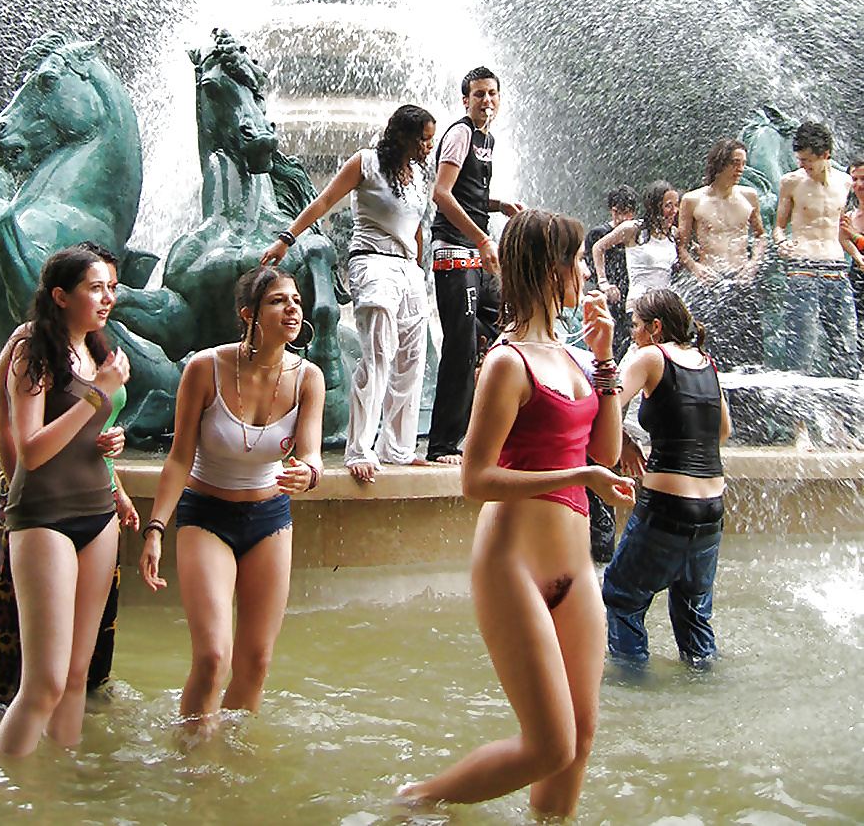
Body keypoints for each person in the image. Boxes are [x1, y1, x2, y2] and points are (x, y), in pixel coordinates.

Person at [398, 209, 635, 813]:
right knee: (548, 745)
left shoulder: (577, 359)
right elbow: (475, 479)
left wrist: (607, 361)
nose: (585, 272)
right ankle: (411, 804)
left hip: (575, 570)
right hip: (513, 567)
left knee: (578, 740)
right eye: (577, 260)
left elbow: (605, 454)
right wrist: (579, 475)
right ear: (552, 269)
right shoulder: (507, 362)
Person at [139, 268, 324, 722]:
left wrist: (311, 474)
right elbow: (180, 457)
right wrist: (157, 528)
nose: (293, 308)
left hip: (270, 520)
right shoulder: (206, 367)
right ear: (250, 315)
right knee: (212, 658)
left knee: (256, 663)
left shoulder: (308, 378)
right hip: (206, 516)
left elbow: (312, 455)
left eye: (296, 300)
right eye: (278, 301)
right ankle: (192, 760)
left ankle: (233, 766)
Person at [0, 248, 139, 705]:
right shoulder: (31, 344)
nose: (108, 298)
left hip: (96, 508)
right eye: (96, 287)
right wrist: (20, 491)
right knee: (35, 668)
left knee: (78, 674)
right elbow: (13, 432)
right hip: (41, 509)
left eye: (113, 287)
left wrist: (116, 475)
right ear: (60, 295)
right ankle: (6, 747)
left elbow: (94, 426)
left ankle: (65, 768)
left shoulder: (96, 348)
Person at [262, 105, 436, 482]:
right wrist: (286, 239)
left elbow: (417, 224)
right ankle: (360, 448)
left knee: (411, 358)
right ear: (402, 136)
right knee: (377, 355)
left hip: (408, 269)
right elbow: (325, 201)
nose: (428, 146)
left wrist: (419, 270)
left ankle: (398, 448)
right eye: (423, 138)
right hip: (372, 261)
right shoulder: (366, 163)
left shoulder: (420, 174)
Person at [602, 289, 731, 667]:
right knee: (693, 612)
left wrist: (624, 439)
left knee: (623, 595)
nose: (633, 334)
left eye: (637, 326)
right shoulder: (706, 362)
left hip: (666, 509)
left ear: (656, 328)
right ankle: (705, 684)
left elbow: (607, 401)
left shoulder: (651, 356)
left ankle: (632, 691)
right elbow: (722, 430)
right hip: (711, 510)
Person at [426, 67, 524, 465]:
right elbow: (442, 194)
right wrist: (484, 238)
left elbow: (468, 194)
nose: (487, 100)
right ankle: (442, 445)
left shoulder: (489, 139)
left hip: (477, 254)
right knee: (461, 343)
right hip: (454, 249)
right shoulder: (461, 133)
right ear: (465, 100)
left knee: (503, 327)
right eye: (479, 94)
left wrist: (498, 206)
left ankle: (482, 429)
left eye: (492, 94)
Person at [774, 120, 857, 376]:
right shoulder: (791, 182)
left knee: (847, 351)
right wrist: (781, 242)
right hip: (802, 271)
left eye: (808, 160)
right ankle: (798, 417)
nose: (803, 165)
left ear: (826, 155)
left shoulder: (845, 183)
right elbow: (778, 227)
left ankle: (845, 416)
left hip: (837, 271)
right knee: (801, 352)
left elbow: (844, 228)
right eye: (800, 159)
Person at [676, 139, 767, 369]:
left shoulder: (749, 196)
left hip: (742, 278)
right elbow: (681, 248)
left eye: (743, 164)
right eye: (735, 163)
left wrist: (753, 263)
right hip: (711, 281)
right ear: (720, 164)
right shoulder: (692, 200)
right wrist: (696, 268)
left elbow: (761, 236)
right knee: (710, 346)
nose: (740, 169)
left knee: (750, 350)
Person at [592, 180, 679, 315]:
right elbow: (598, 247)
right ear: (653, 206)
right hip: (638, 309)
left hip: (664, 310)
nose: (674, 211)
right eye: (668, 205)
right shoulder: (633, 229)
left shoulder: (673, 234)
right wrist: (603, 282)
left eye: (676, 205)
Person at [584, 184, 639, 362]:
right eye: (617, 212)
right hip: (607, 298)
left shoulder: (635, 233)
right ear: (611, 211)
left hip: (630, 297)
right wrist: (605, 283)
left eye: (627, 212)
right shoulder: (599, 234)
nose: (621, 218)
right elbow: (590, 268)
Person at [839, 154, 864, 365]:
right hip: (855, 279)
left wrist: (854, 235)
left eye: (863, 179)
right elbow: (843, 239)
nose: (858, 185)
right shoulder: (851, 213)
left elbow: (852, 237)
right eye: (854, 179)